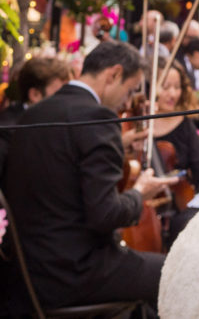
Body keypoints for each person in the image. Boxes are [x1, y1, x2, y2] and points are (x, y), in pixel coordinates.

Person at [1, 41, 179, 311]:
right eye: (129, 90)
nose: (127, 102)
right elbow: (104, 215)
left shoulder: (35, 113)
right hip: (74, 272)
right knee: (177, 273)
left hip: (26, 273)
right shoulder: (98, 118)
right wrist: (138, 194)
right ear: (114, 74)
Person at [150, 57, 199, 246]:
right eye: (166, 87)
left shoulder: (184, 123)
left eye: (177, 87)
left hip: (179, 204)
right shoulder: (137, 125)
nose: (173, 94)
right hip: (145, 205)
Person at [0, 55, 73, 179]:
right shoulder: (7, 131)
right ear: (35, 95)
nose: (68, 100)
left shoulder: (60, 122)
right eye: (60, 94)